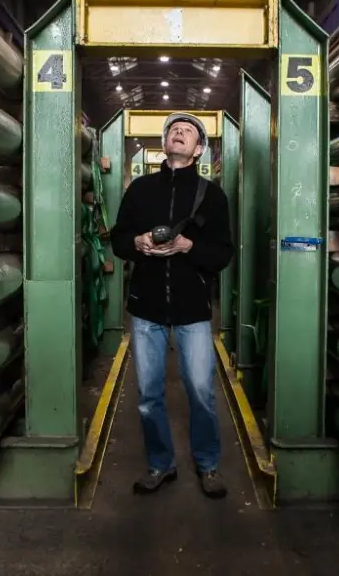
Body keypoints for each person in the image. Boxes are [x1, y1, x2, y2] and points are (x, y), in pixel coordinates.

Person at [109, 112, 234, 499]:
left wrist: (188, 246)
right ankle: (160, 464)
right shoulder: (141, 190)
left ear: (198, 150)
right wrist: (138, 243)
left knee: (200, 391)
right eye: (173, 131)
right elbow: (118, 240)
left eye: (188, 133)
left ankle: (208, 464)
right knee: (148, 395)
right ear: (164, 144)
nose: (178, 134)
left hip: (193, 310)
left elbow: (223, 253)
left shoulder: (211, 196)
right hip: (146, 309)